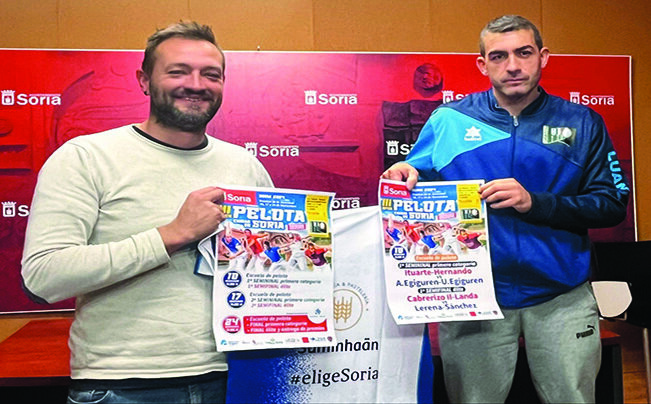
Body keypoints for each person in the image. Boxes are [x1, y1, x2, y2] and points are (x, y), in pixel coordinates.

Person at [21, 21, 273, 404]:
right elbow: (43, 277)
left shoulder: (245, 166)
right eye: (178, 71)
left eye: (211, 74)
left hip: (235, 377)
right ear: (144, 80)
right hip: (123, 386)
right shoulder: (87, 157)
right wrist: (172, 234)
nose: (196, 84)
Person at [382, 15, 629, 403]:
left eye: (524, 53)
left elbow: (611, 205)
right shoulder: (449, 121)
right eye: (498, 56)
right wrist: (405, 171)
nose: (512, 66)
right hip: (473, 299)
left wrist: (535, 203)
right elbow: (416, 180)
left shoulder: (581, 122)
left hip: (560, 295)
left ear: (543, 57)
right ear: (482, 64)